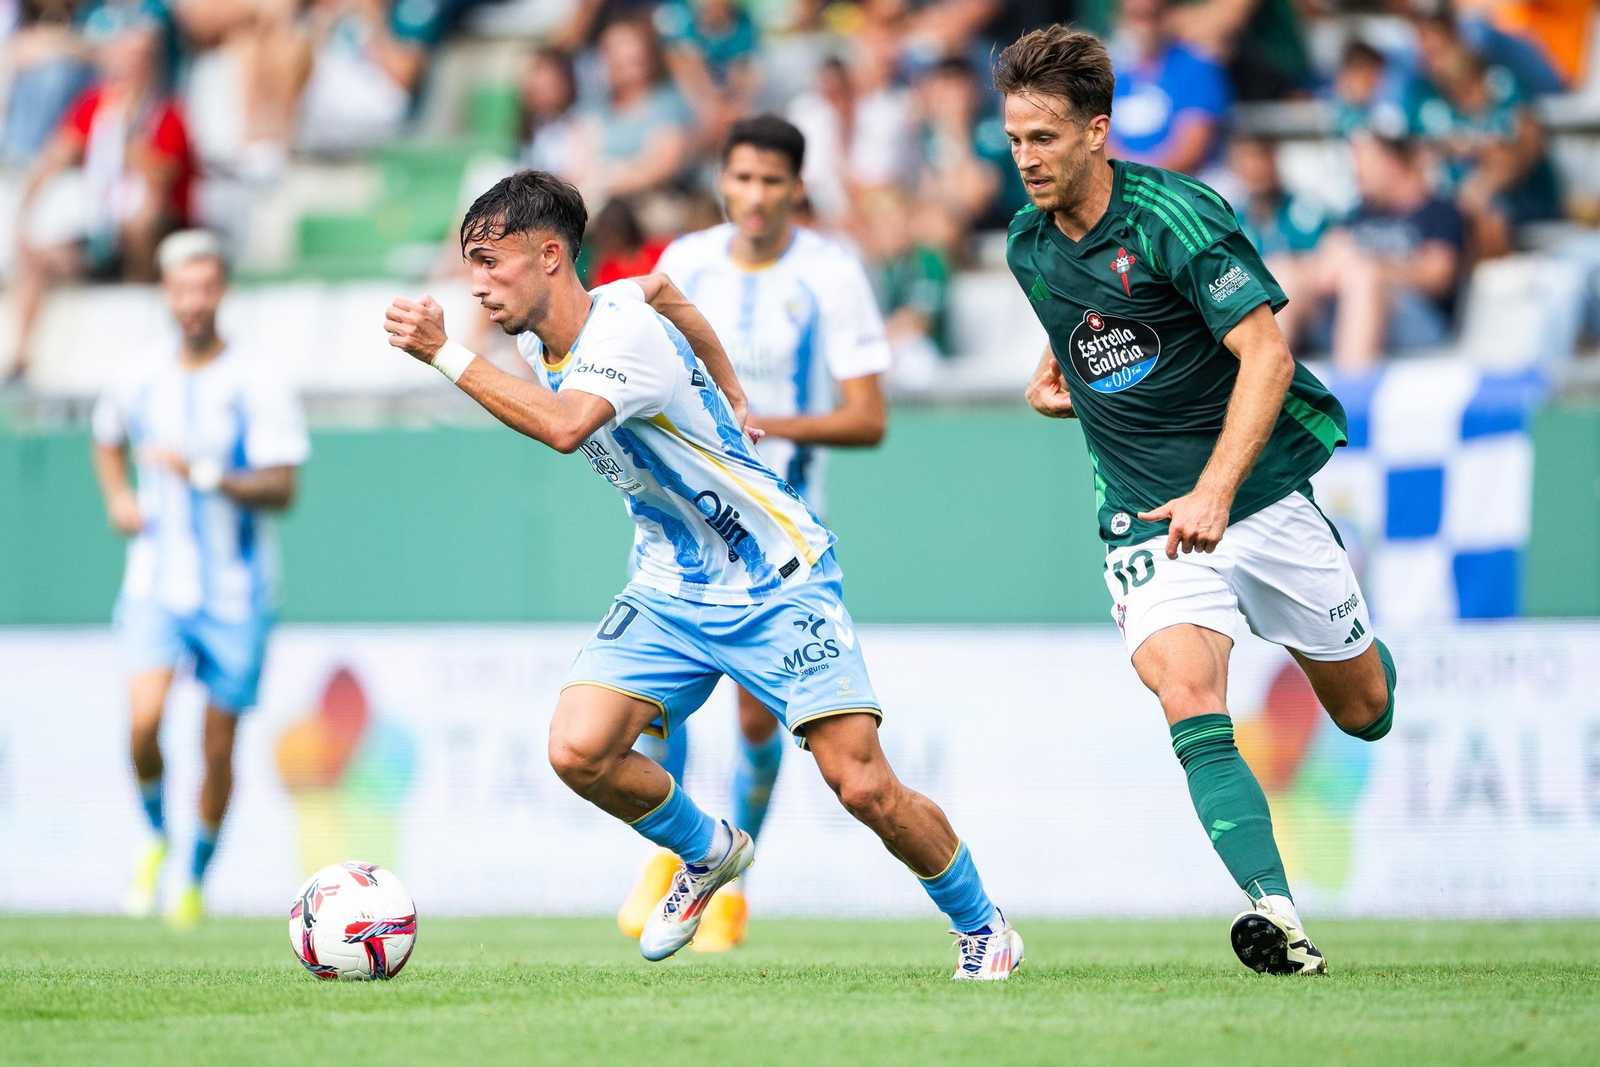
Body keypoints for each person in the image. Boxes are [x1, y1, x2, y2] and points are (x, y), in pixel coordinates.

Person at [382, 170, 1020, 978]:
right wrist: (728, 382)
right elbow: (667, 288)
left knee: (862, 785)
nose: (475, 283)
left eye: (489, 262)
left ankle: (983, 924)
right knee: (578, 749)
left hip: (775, 579)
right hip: (669, 587)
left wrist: (442, 351)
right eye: (469, 264)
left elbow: (568, 426)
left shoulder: (618, 335)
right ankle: (709, 850)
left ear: (550, 255)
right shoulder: (544, 333)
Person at [997, 26, 1396, 975]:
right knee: (1186, 693)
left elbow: (1267, 354)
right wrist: (1059, 383)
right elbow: (1094, 336)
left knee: (1365, 708)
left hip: (1255, 498)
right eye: (1014, 139)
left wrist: (1216, 487)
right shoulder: (1025, 246)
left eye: (1044, 138)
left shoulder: (1176, 215)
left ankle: (1341, 636)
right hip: (1145, 517)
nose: (1025, 160)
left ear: (1098, 131)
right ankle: (1279, 918)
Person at [613, 115, 892, 953]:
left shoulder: (832, 274)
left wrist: (756, 421)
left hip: (774, 541)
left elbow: (868, 417)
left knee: (759, 724)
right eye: (742, 179)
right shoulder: (683, 264)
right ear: (723, 182)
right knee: (653, 704)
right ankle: (679, 856)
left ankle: (737, 884)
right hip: (679, 532)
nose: (756, 196)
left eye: (772, 181)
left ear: (797, 187)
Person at [91, 229, 310, 926]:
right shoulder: (137, 373)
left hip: (236, 592)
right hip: (155, 582)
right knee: (144, 724)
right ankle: (157, 833)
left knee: (218, 748)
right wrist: (119, 497)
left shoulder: (260, 378)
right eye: (181, 288)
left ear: (222, 291)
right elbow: (106, 435)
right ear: (165, 292)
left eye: (206, 287)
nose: (194, 301)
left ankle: (192, 876)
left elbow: (282, 488)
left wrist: (203, 474)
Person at [10, 16, 193, 383]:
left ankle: (147, 319)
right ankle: (21, 355)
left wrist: (126, 138)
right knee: (36, 256)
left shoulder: (167, 112)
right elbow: (58, 152)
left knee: (141, 222)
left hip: (150, 233)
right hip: (100, 228)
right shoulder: (95, 106)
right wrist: (27, 210)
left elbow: (163, 179)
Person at [1276, 133, 1465, 371]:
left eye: (1364, 162)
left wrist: (1374, 267)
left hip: (1417, 320)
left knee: (1363, 277)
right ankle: (1264, 385)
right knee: (1285, 273)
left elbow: (1439, 276)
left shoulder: (1438, 211)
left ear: (1392, 163)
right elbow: (1326, 266)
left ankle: (1349, 395)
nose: (1356, 172)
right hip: (1344, 311)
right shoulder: (1358, 213)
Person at [1106, 0, 1230, 176]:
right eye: (1137, 16)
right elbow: (1100, 140)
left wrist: (1139, 177)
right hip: (1122, 183)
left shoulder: (1197, 69)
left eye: (1153, 15)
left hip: (1183, 185)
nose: (1145, 26)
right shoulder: (1112, 71)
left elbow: (1191, 149)